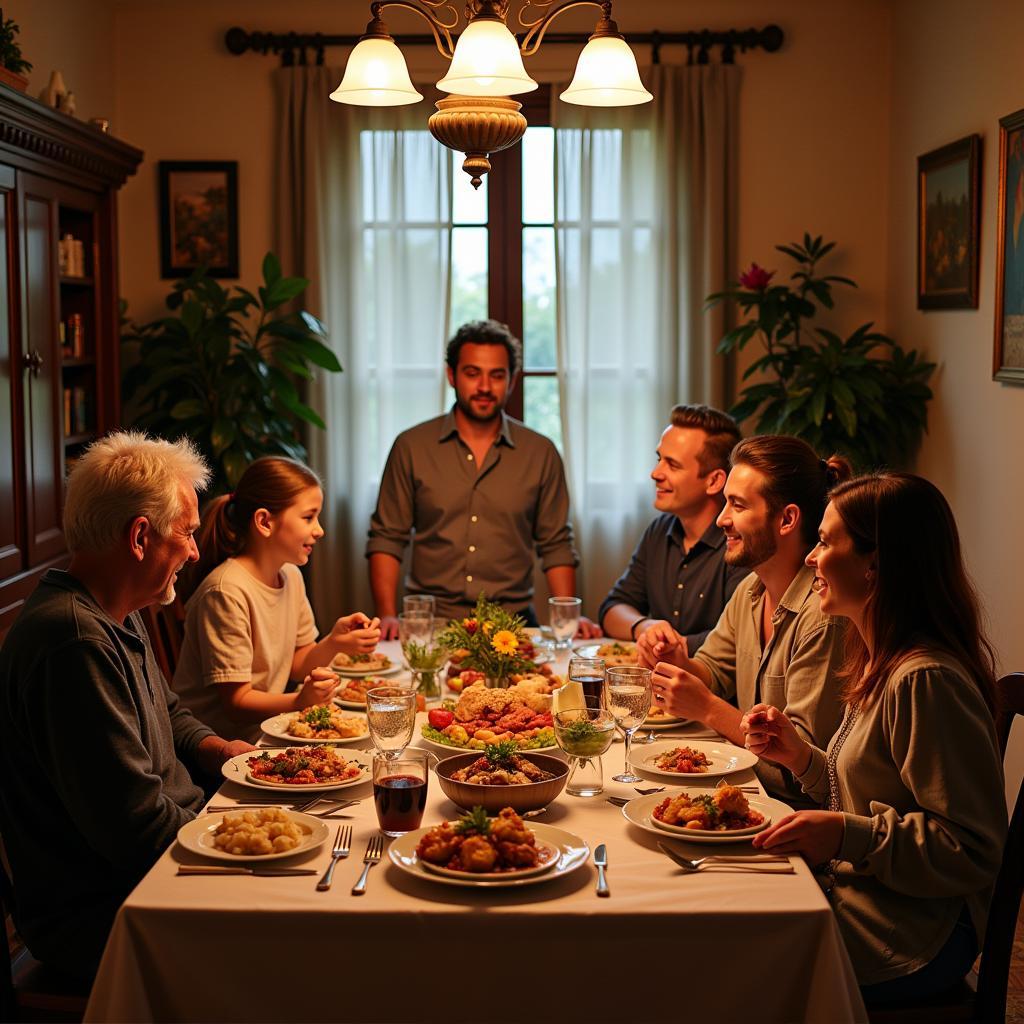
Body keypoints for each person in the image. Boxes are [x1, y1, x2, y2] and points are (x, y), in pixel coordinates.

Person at [740, 473, 1006, 1003]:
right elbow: (867, 789)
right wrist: (800, 756)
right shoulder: (876, 659)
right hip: (863, 893)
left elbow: (973, 850)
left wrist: (846, 836)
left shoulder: (924, 679)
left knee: (730, 959)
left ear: (874, 564)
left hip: (911, 932)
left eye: (825, 541)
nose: (811, 558)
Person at [0, 432, 255, 983]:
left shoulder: (117, 606)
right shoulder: (74, 642)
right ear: (140, 537)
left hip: (162, 860)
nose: (194, 550)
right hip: (108, 911)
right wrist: (246, 832)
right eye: (186, 533)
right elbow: (136, 831)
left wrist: (225, 752)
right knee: (301, 941)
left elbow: (173, 717)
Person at [638, 435, 850, 803]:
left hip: (792, 816)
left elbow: (806, 772)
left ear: (787, 519)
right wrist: (678, 663)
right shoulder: (751, 590)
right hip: (750, 791)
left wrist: (705, 706)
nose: (721, 520)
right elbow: (713, 671)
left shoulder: (822, 616)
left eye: (737, 505)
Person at [367, 319, 600, 638]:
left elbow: (556, 544)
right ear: (452, 375)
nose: (485, 387)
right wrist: (387, 615)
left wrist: (568, 619)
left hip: (514, 624)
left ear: (512, 380)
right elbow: (386, 537)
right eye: (472, 373)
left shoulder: (540, 452)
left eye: (497, 375)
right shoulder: (411, 447)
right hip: (432, 624)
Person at [173, 457, 381, 743]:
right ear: (265, 522)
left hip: (266, 729)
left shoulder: (290, 575)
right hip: (222, 746)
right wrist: (299, 701)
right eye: (308, 517)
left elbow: (297, 663)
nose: (319, 530)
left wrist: (335, 642)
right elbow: (236, 703)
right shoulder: (226, 592)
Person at [599, 403, 748, 651]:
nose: (655, 473)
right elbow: (612, 608)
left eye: (673, 465)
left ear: (714, 481)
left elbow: (739, 638)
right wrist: (644, 628)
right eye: (659, 460)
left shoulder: (740, 541)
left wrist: (670, 645)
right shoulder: (659, 530)